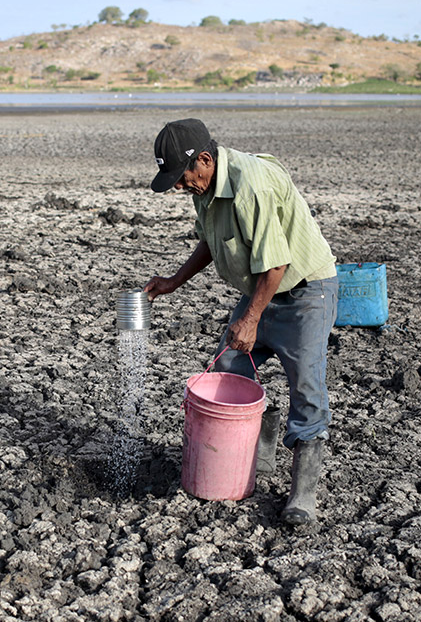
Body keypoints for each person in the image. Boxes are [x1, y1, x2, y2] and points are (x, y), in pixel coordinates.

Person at [143, 118, 339, 526]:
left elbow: (277, 262)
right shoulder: (206, 187)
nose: (179, 186)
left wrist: (251, 319)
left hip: (304, 292)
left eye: (181, 177)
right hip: (262, 287)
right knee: (228, 371)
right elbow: (212, 239)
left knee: (306, 386)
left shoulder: (251, 185)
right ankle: (257, 460)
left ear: (205, 160)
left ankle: (302, 497)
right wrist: (175, 281)